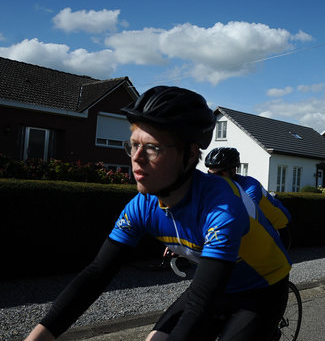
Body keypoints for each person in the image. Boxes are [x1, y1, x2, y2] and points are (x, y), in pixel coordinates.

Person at [25, 86, 291, 341]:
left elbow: (202, 300)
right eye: (133, 145)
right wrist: (39, 335)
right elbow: (96, 274)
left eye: (153, 147)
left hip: (261, 288)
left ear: (189, 155)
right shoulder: (142, 205)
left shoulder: (221, 207)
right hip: (214, 286)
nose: (137, 158)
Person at [204, 147, 292, 248]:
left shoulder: (250, 186)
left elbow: (244, 213)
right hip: (256, 229)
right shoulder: (218, 186)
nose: (213, 178)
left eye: (219, 174)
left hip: (277, 229)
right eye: (210, 174)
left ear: (233, 170)